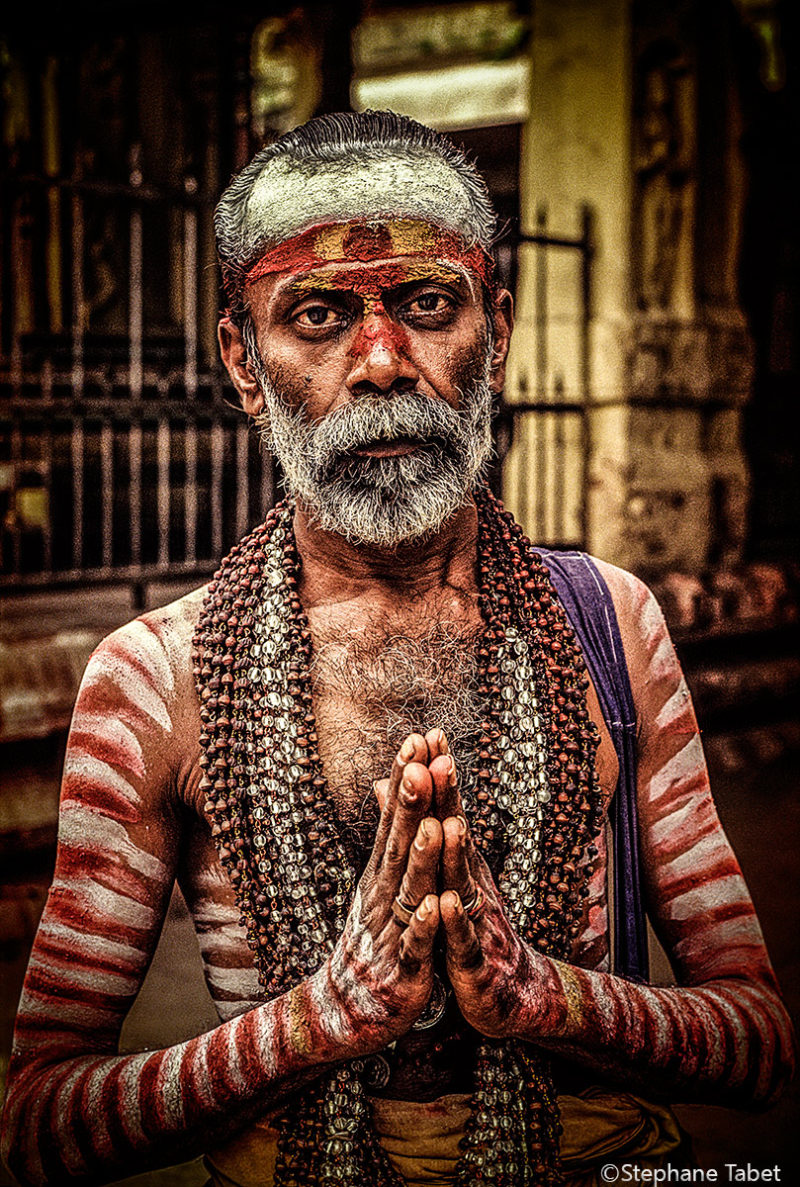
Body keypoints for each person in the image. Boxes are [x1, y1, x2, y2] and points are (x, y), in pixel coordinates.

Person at [0, 110, 794, 1187]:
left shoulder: (608, 625)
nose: (381, 362)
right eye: (317, 315)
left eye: (426, 304)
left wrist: (541, 995)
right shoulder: (156, 681)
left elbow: (756, 1040)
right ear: (241, 358)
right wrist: (316, 1019)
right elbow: (40, 1119)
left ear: (496, 332)